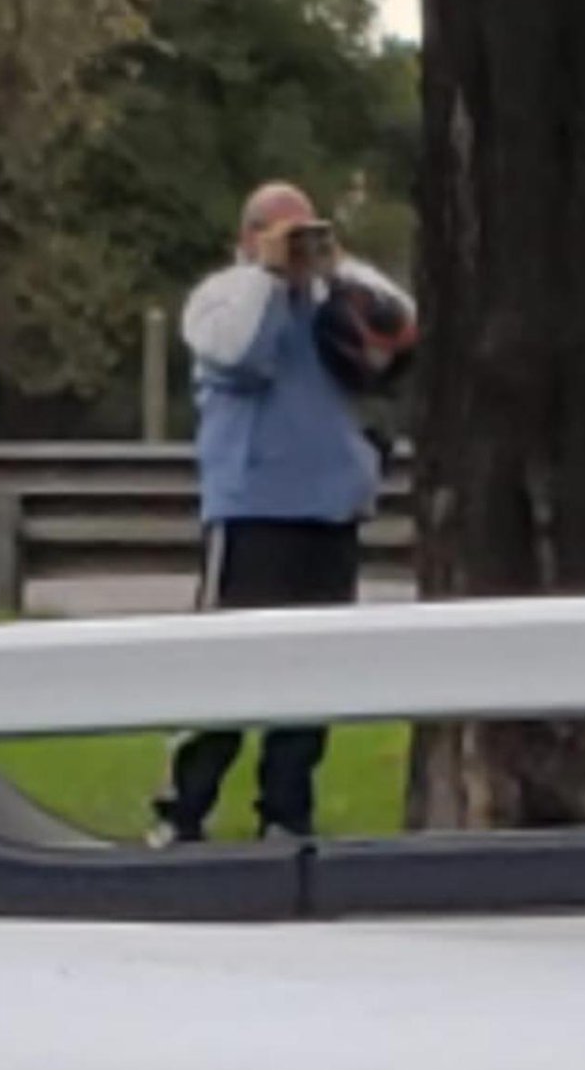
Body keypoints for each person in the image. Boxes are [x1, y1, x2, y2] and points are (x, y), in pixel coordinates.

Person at [149, 181, 416, 845]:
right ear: (247, 237)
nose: (297, 246)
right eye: (280, 231)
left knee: (311, 674)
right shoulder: (220, 298)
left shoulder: (335, 301)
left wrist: (336, 264)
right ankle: (184, 807)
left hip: (327, 510)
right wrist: (268, 276)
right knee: (222, 668)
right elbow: (236, 350)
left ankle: (286, 813)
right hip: (251, 511)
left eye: (306, 231)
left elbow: (399, 327)